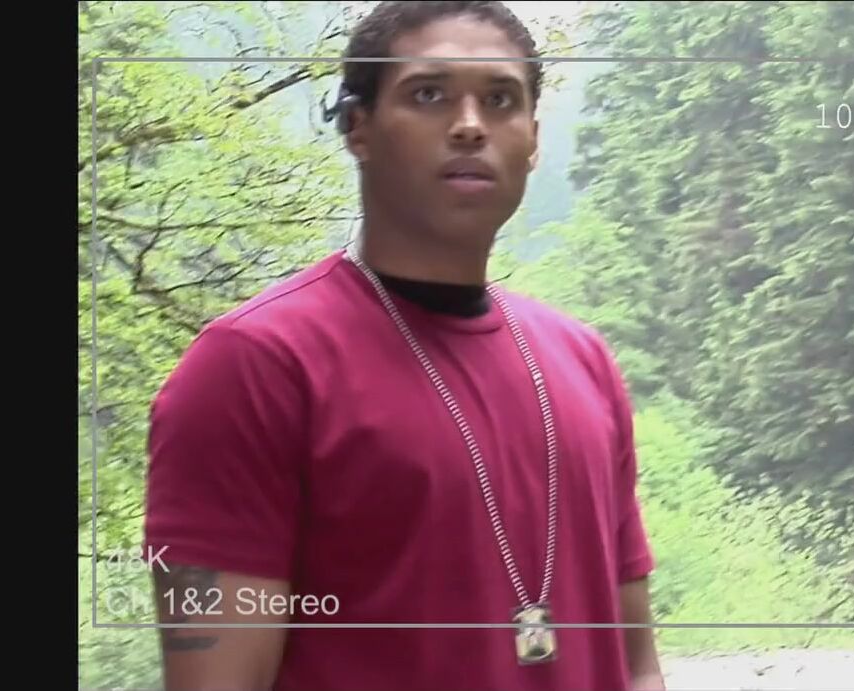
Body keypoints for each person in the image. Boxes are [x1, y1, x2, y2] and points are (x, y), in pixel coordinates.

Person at [140, 2, 665, 690]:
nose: (470, 125)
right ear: (358, 127)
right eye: (428, 94)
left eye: (500, 100)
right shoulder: (252, 366)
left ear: (533, 138)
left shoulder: (582, 361)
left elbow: (636, 665)